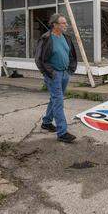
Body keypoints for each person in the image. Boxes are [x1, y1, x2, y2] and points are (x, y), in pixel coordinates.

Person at [34, 13, 78, 143]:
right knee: (58, 101)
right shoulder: (46, 38)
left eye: (65, 23)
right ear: (55, 25)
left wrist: (70, 69)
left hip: (64, 73)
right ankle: (62, 132)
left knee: (55, 99)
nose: (66, 25)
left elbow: (71, 55)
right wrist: (49, 73)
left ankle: (46, 123)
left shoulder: (66, 37)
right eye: (63, 23)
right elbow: (39, 59)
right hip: (54, 75)